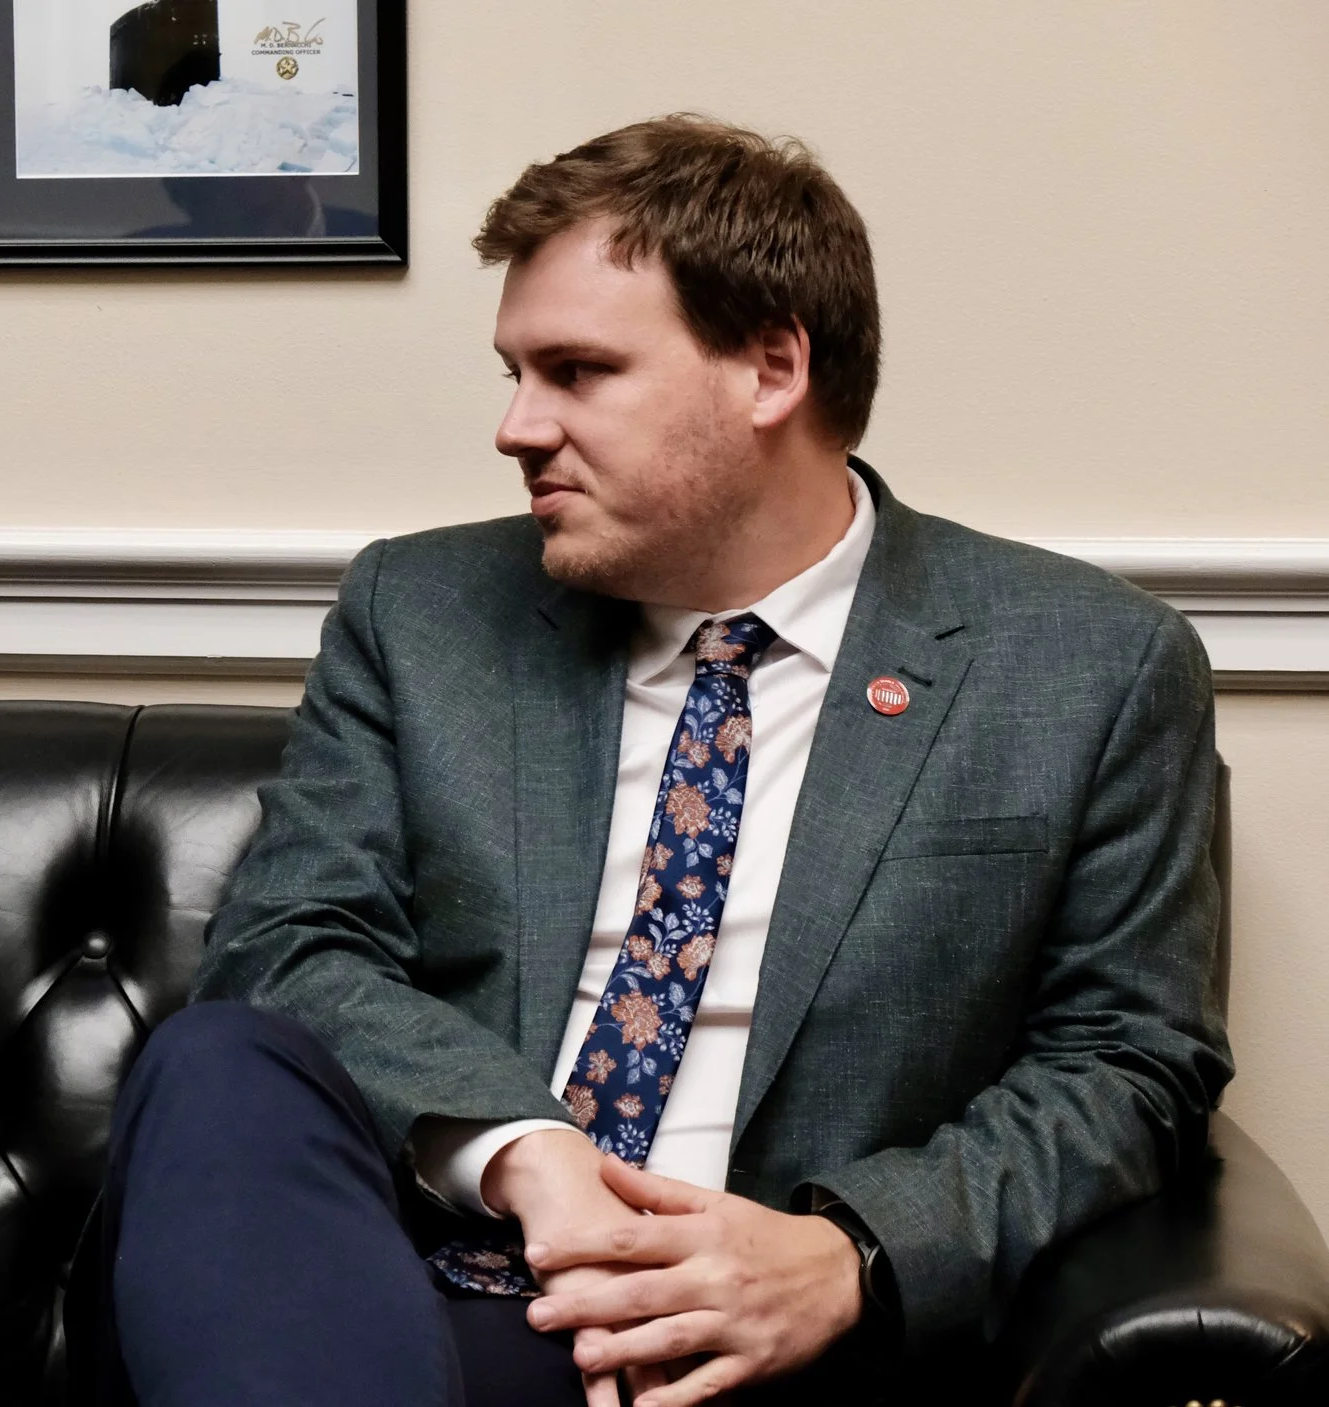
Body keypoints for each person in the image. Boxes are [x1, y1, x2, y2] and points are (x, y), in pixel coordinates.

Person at [100, 116, 1229, 1407]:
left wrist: (852, 1251)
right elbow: (289, 942)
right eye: (513, 373)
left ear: (771, 369)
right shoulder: (418, 613)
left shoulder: (1085, 666)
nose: (516, 427)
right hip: (388, 1278)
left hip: (735, 1327)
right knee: (215, 1057)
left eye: (577, 372)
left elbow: (1127, 1066)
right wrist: (528, 1152)